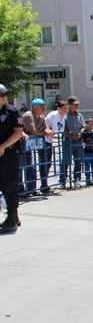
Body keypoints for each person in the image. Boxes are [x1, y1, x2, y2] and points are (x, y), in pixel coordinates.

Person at [0, 83, 25, 234]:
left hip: (10, 152)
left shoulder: (12, 111)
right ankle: (12, 216)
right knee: (2, 185)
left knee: (10, 185)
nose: (4, 98)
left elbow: (18, 132)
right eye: (1, 95)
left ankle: (12, 219)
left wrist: (2, 146)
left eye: (5, 95)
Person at [19, 98, 51, 196]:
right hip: (20, 143)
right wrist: (45, 133)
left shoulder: (41, 116)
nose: (43, 108)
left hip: (29, 144)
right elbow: (33, 131)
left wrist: (48, 130)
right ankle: (20, 190)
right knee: (20, 167)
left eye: (44, 105)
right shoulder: (28, 115)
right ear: (35, 107)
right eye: (41, 106)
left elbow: (46, 127)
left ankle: (31, 189)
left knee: (30, 167)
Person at [44, 100, 67, 193]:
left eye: (67, 108)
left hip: (57, 141)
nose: (66, 110)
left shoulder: (64, 117)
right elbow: (45, 127)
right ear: (59, 108)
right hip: (47, 141)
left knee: (50, 163)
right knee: (45, 163)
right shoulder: (52, 115)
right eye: (64, 108)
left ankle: (47, 184)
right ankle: (44, 184)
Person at [63, 96, 86, 188]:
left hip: (78, 141)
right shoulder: (65, 116)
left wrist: (80, 132)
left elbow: (83, 125)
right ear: (69, 105)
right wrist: (70, 135)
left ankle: (77, 179)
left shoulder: (79, 115)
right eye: (74, 104)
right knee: (66, 161)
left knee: (78, 161)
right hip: (68, 140)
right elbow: (63, 128)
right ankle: (63, 180)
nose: (76, 106)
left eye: (77, 104)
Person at [81, 118, 93, 185]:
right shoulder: (84, 132)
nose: (90, 125)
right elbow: (82, 139)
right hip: (86, 151)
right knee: (87, 167)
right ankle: (87, 179)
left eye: (91, 123)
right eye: (88, 123)